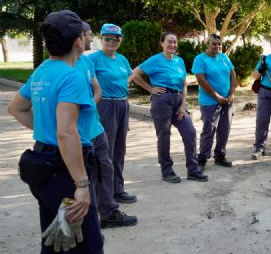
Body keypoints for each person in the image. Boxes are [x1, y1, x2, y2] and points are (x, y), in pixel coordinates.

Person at [7, 10, 103, 254]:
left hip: (43, 165)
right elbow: (66, 132)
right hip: (64, 171)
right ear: (76, 41)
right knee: (89, 250)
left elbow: (16, 108)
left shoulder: (41, 72)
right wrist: (82, 185)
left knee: (56, 244)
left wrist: (44, 130)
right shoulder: (71, 76)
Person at [79, 23, 137, 229]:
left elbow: (130, 75)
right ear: (101, 39)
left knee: (120, 149)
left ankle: (117, 188)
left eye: (116, 38)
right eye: (108, 38)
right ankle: (105, 194)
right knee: (106, 151)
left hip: (123, 104)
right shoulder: (92, 59)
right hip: (106, 106)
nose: (112, 41)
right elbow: (86, 81)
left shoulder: (122, 59)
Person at [131, 32, 207, 183]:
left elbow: (184, 84)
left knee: (190, 132)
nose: (172, 45)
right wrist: (150, 89)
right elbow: (134, 74)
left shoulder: (179, 61)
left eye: (174, 42)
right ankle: (167, 171)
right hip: (162, 101)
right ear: (162, 43)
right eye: (169, 42)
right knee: (164, 136)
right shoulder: (155, 60)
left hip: (178, 100)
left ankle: (193, 170)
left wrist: (182, 105)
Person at [192, 34, 237, 170]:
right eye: (214, 44)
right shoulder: (200, 59)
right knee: (209, 130)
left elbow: (233, 75)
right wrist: (216, 96)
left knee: (224, 129)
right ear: (208, 45)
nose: (217, 46)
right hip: (209, 102)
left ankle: (220, 156)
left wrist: (231, 94)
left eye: (219, 44)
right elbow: (201, 80)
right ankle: (202, 159)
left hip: (226, 101)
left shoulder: (224, 57)